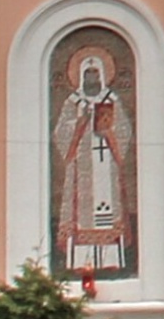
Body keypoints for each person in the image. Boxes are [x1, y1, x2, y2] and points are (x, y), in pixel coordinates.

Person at [53, 41, 136, 275]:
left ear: (101, 75)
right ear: (80, 76)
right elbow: (60, 132)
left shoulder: (112, 99)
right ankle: (81, 261)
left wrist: (108, 129)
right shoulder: (74, 101)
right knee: (82, 216)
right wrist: (79, 123)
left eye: (94, 74)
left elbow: (124, 130)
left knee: (108, 214)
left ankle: (111, 260)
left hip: (105, 165)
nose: (91, 79)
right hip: (82, 168)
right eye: (87, 74)